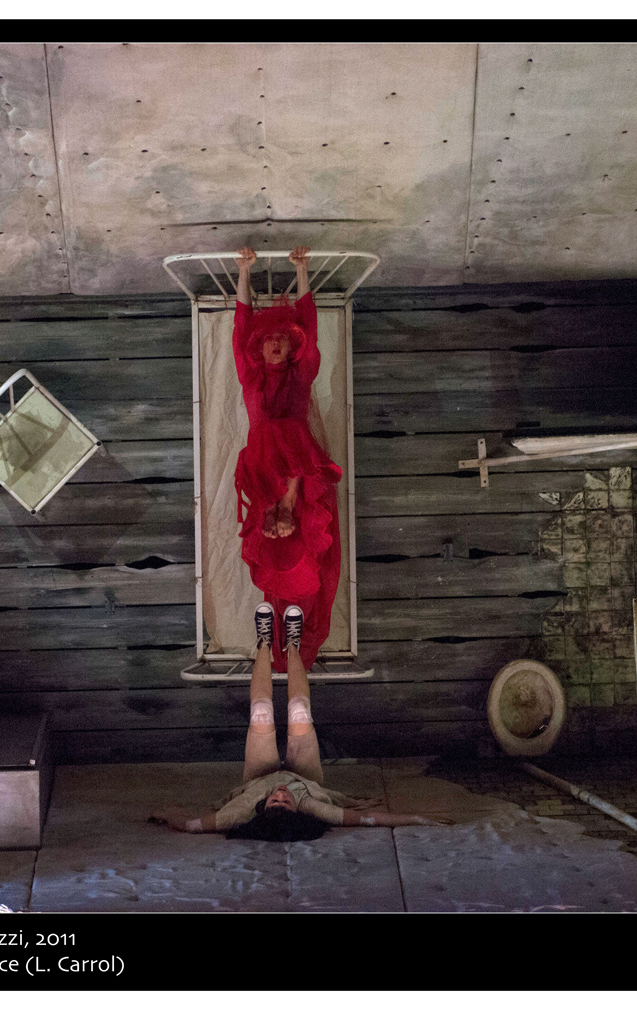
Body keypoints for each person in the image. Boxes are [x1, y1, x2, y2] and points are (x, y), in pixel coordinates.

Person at [149, 604, 453, 840]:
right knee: (298, 711)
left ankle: (264, 642)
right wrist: (416, 818)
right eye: (286, 801)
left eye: (275, 801)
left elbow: (190, 825)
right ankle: (293, 644)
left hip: (258, 777)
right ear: (297, 809)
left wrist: (161, 812)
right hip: (305, 777)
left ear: (262, 807)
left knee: (261, 713)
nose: (281, 793)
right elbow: (369, 819)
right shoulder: (312, 806)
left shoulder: (241, 810)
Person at [229, 246, 343, 672]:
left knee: (301, 550)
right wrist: (244, 273)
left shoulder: (300, 375)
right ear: (259, 350)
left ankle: (293, 637)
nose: (275, 343)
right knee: (277, 550)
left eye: (281, 339)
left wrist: (303, 271)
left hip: (296, 470)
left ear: (289, 348)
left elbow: (308, 329)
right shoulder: (250, 376)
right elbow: (241, 329)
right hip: (264, 472)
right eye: (268, 340)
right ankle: (280, 637)